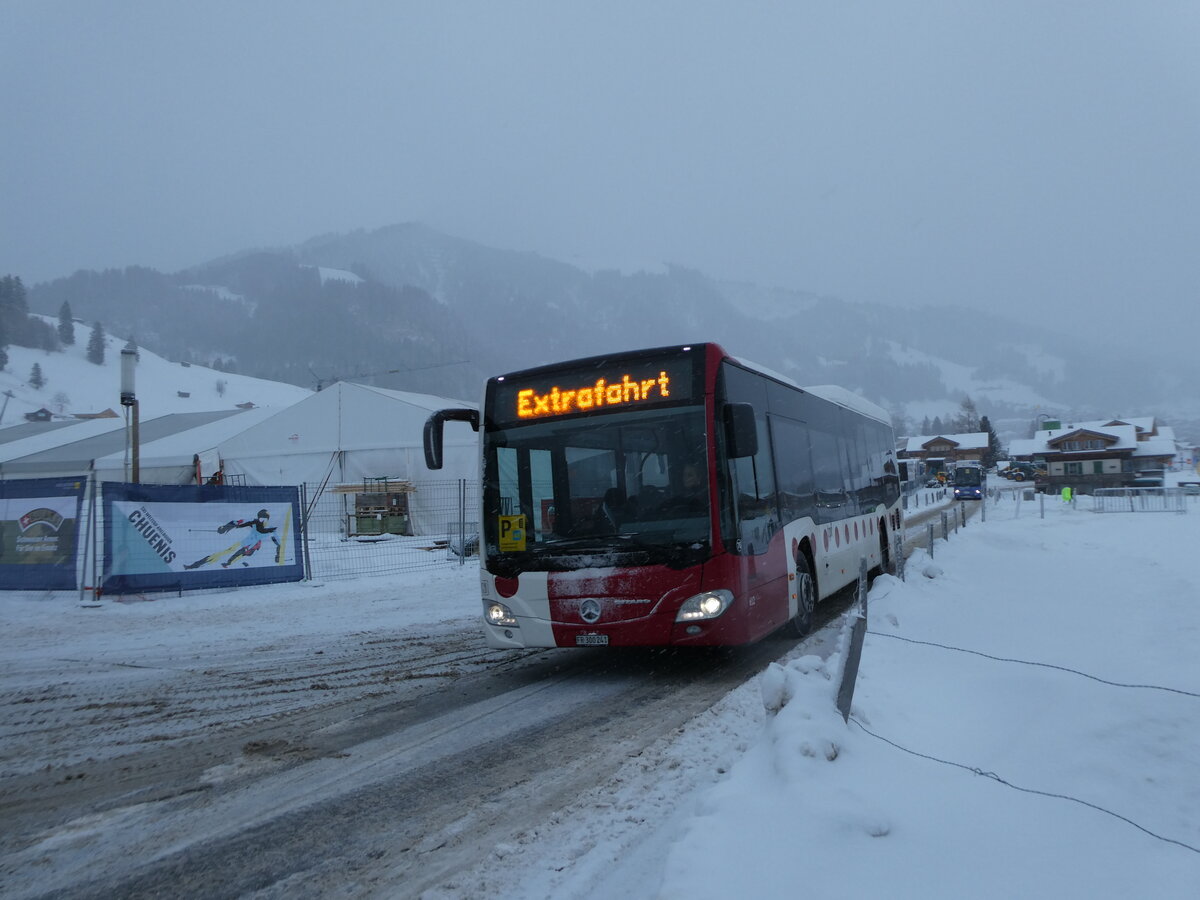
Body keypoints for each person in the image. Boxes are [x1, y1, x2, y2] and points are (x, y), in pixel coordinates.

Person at [184, 509, 278, 569]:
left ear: (268, 519)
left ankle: (229, 564)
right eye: (260, 518)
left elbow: (278, 542)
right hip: (243, 544)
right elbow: (238, 522)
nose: (261, 521)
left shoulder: (271, 529)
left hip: (253, 552)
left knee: (240, 560)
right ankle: (196, 565)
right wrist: (225, 527)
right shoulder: (254, 522)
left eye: (264, 519)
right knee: (219, 555)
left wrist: (278, 554)